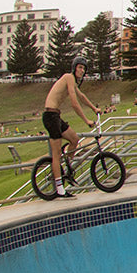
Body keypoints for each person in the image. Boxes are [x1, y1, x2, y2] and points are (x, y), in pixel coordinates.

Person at [41, 56, 101, 198]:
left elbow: (82, 96)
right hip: (50, 116)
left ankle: (66, 168)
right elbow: (75, 103)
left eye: (84, 69)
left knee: (74, 139)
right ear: (74, 68)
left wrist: (94, 109)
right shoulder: (68, 77)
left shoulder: (72, 82)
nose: (82, 70)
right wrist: (86, 120)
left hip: (56, 116)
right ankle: (60, 189)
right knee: (56, 154)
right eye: (80, 67)